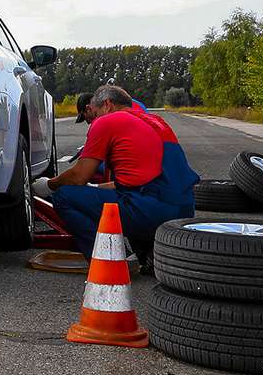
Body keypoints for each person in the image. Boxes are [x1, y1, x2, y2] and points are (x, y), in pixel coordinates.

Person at [45, 85, 199, 266]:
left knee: (64, 196)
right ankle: (148, 256)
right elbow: (134, 181)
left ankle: (111, 260)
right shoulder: (155, 121)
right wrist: (94, 189)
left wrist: (50, 185)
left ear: (107, 105)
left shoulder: (107, 121)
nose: (94, 120)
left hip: (153, 211)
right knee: (130, 196)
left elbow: (79, 176)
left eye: (95, 113)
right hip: (183, 211)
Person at [74, 91, 148, 125]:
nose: (88, 123)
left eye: (86, 118)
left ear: (88, 108)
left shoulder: (105, 118)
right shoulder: (132, 102)